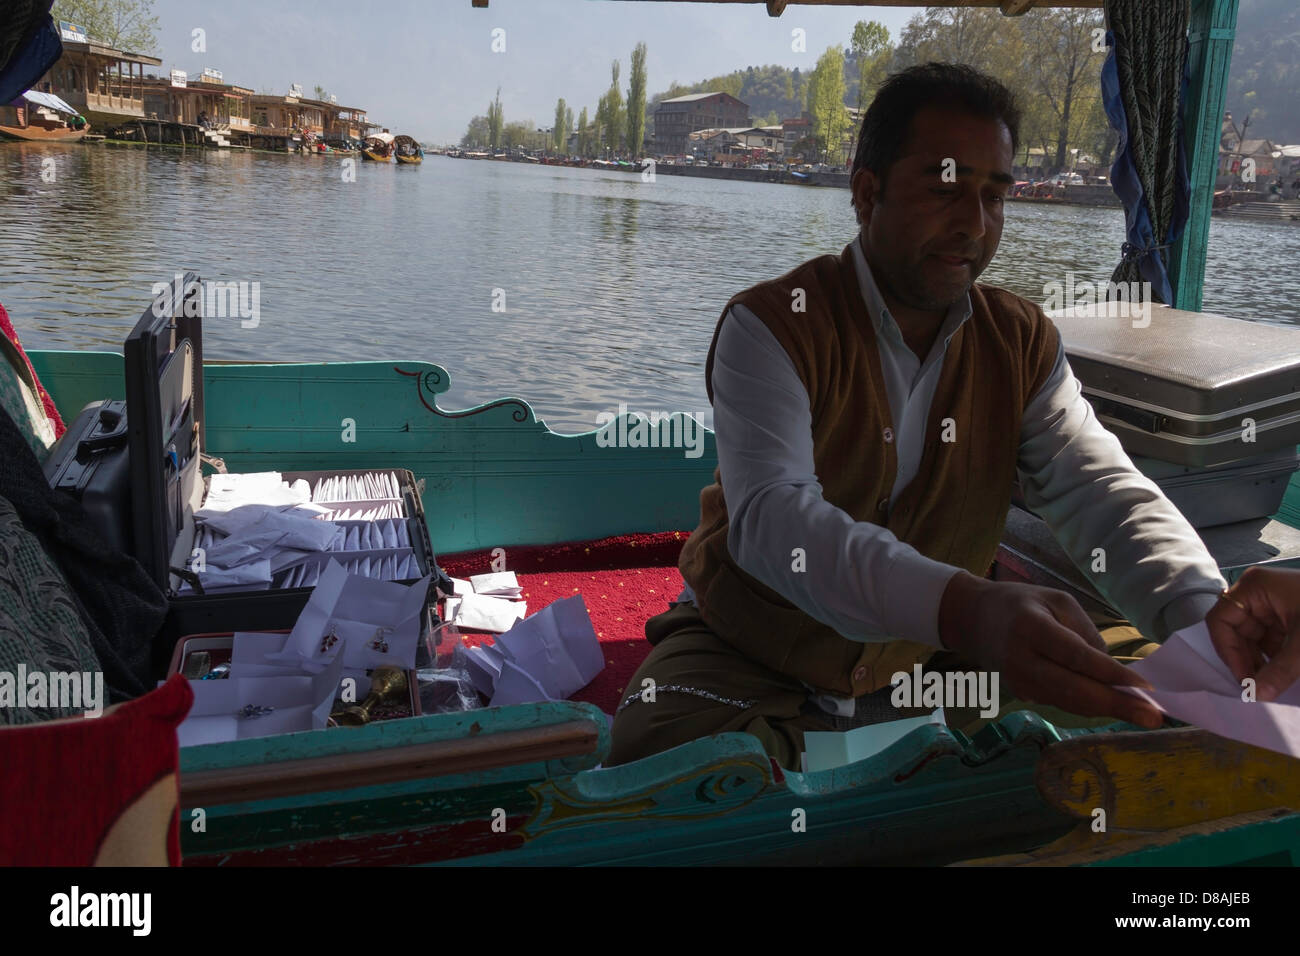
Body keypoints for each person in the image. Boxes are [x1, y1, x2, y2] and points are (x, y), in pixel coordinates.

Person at [607, 63, 1295, 771]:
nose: (974, 224)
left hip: (940, 662)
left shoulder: (1019, 342)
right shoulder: (773, 326)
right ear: (867, 191)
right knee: (659, 764)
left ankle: (872, 766)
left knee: (1163, 713)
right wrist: (965, 608)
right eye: (946, 188)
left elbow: (1101, 491)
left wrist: (1206, 621)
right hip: (752, 651)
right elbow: (774, 522)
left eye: (994, 196)